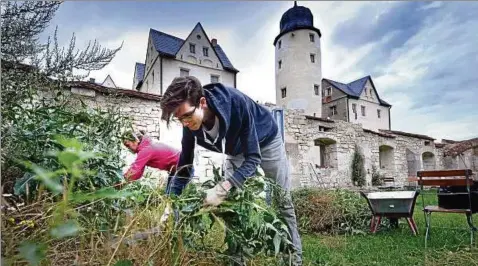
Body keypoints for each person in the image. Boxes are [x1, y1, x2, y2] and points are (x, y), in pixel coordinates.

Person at [159, 76, 302, 265]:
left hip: (266, 140)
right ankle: (236, 259)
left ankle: (294, 257)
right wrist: (172, 202)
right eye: (179, 119)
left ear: (202, 102)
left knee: (282, 199)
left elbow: (253, 157)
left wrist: (222, 188)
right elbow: (184, 167)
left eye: (186, 116)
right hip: (236, 150)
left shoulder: (235, 103)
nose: (184, 123)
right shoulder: (189, 126)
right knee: (231, 203)